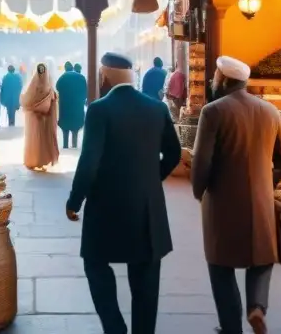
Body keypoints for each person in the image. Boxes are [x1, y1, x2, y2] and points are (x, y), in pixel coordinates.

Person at [67, 52, 182, 334]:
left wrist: (75, 200)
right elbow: (174, 153)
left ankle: (115, 327)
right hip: (147, 207)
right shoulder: (157, 109)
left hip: (106, 206)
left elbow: (89, 161)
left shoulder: (99, 109)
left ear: (104, 76)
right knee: (146, 273)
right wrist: (152, 179)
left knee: (95, 264)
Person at [192, 56, 281, 334]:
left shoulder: (213, 112)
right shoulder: (269, 111)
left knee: (220, 264)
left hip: (222, 201)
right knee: (261, 258)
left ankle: (230, 327)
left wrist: (199, 190)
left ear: (223, 80)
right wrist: (265, 184)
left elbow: (203, 160)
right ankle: (257, 308)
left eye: (214, 76)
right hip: (260, 200)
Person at [21, 63, 59, 170]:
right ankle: (34, 160)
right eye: (40, 70)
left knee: (42, 140)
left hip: (44, 118)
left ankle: (41, 161)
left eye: (43, 69)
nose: (42, 72)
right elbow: (26, 101)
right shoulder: (33, 86)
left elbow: (52, 100)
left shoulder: (48, 86)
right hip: (35, 118)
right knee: (35, 139)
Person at [57, 62, 88, 149]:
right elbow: (86, 91)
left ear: (65, 68)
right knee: (75, 128)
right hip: (77, 106)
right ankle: (74, 144)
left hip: (65, 106)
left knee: (65, 129)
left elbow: (57, 87)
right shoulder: (81, 78)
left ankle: (65, 144)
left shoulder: (63, 77)